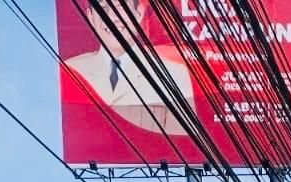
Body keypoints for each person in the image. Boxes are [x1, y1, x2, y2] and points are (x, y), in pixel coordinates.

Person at [65, 0, 194, 138]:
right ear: (90, 16)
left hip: (148, 159)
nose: (113, 17)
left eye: (122, 7)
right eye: (102, 7)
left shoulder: (173, 74)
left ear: (139, 14)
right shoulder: (71, 70)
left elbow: (185, 143)